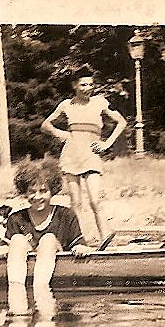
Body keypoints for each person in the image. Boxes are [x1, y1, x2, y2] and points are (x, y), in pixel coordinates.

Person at [41, 68, 127, 248]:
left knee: (95, 200)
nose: (88, 88)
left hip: (92, 155)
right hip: (71, 155)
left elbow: (122, 122)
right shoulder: (66, 105)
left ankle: (106, 239)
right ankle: (79, 241)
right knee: (75, 202)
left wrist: (107, 143)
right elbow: (45, 125)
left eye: (90, 84)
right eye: (83, 85)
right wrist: (60, 133)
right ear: (74, 86)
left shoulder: (100, 102)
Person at [0, 160, 94, 304]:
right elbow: (5, 244)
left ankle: (41, 294)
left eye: (43, 191)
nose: (37, 197)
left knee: (48, 239)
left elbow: (78, 243)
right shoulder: (16, 218)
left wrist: (80, 248)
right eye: (32, 192)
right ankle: (16, 295)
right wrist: (2, 248)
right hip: (21, 264)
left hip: (49, 262)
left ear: (52, 190)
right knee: (17, 240)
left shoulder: (65, 215)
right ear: (24, 193)